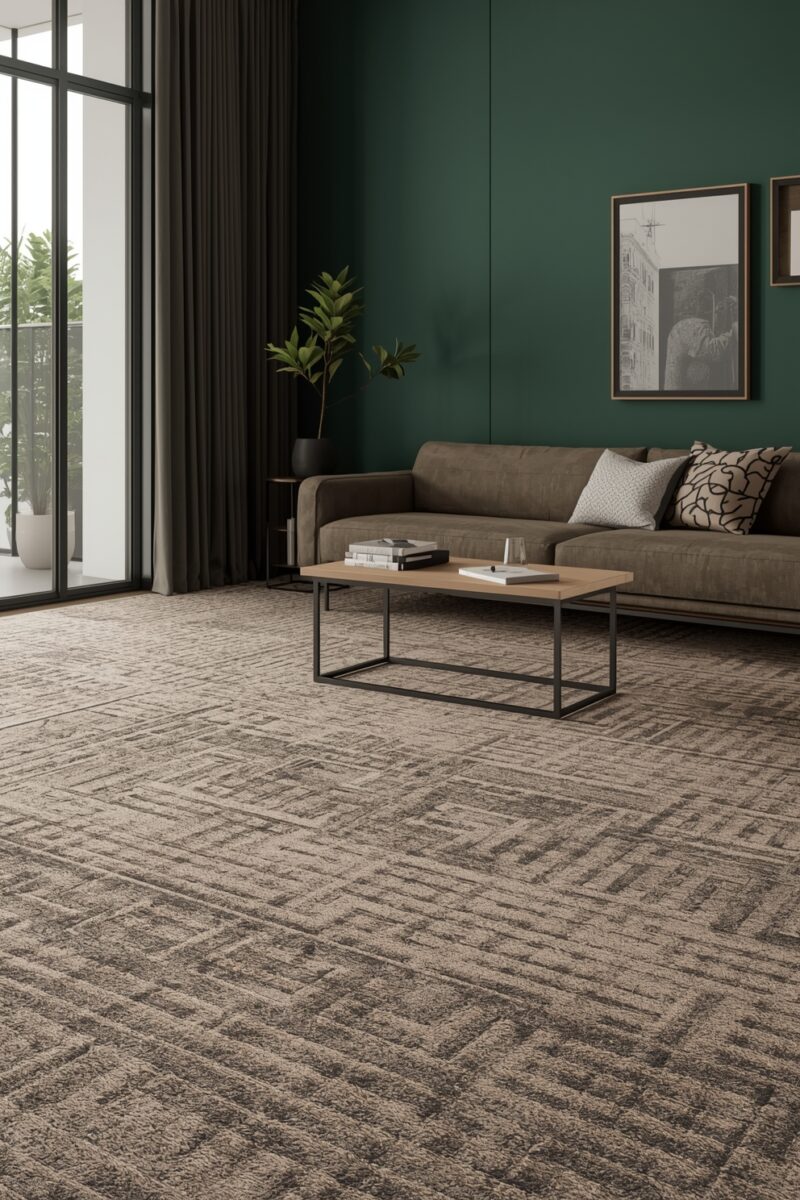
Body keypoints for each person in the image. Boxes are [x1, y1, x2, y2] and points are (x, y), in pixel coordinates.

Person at [663, 297, 738, 390]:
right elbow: (713, 351)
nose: (718, 316)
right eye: (719, 310)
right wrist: (735, 330)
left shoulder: (683, 325)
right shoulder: (693, 326)